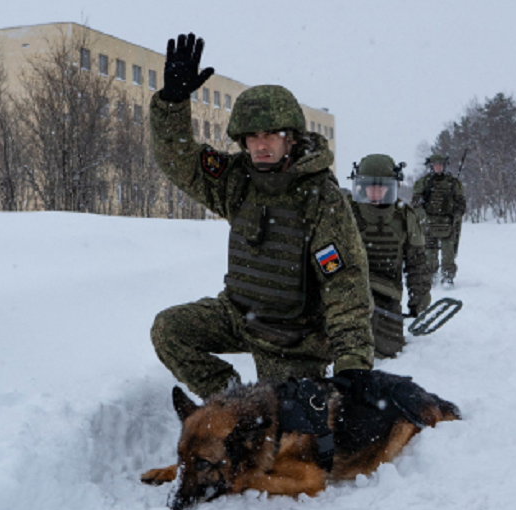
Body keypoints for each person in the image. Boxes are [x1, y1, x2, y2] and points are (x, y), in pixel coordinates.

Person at [148, 33, 375, 399]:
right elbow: (179, 161)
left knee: (284, 432)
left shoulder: (319, 196)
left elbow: (346, 286)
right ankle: (232, 399)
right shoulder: (237, 179)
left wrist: (354, 365)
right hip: (238, 315)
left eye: (271, 134)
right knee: (169, 330)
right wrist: (172, 103)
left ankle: (255, 408)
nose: (260, 144)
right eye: (252, 135)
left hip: (293, 337)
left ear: (291, 138)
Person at [348, 154, 431, 358]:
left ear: (391, 187)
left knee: (387, 350)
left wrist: (418, 299)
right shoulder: (346, 212)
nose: (376, 192)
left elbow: (417, 263)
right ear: (361, 186)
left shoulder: (405, 217)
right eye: (370, 186)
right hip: (348, 292)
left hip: (387, 295)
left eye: (381, 187)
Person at [411, 153, 466, 285]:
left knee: (448, 252)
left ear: (445, 166)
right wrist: (423, 218)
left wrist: (455, 217)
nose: (438, 167)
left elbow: (461, 203)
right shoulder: (423, 183)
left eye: (441, 165)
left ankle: (447, 276)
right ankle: (431, 276)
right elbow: (416, 202)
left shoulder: (453, 183)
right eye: (436, 165)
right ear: (431, 166)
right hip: (429, 222)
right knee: (430, 251)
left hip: (447, 222)